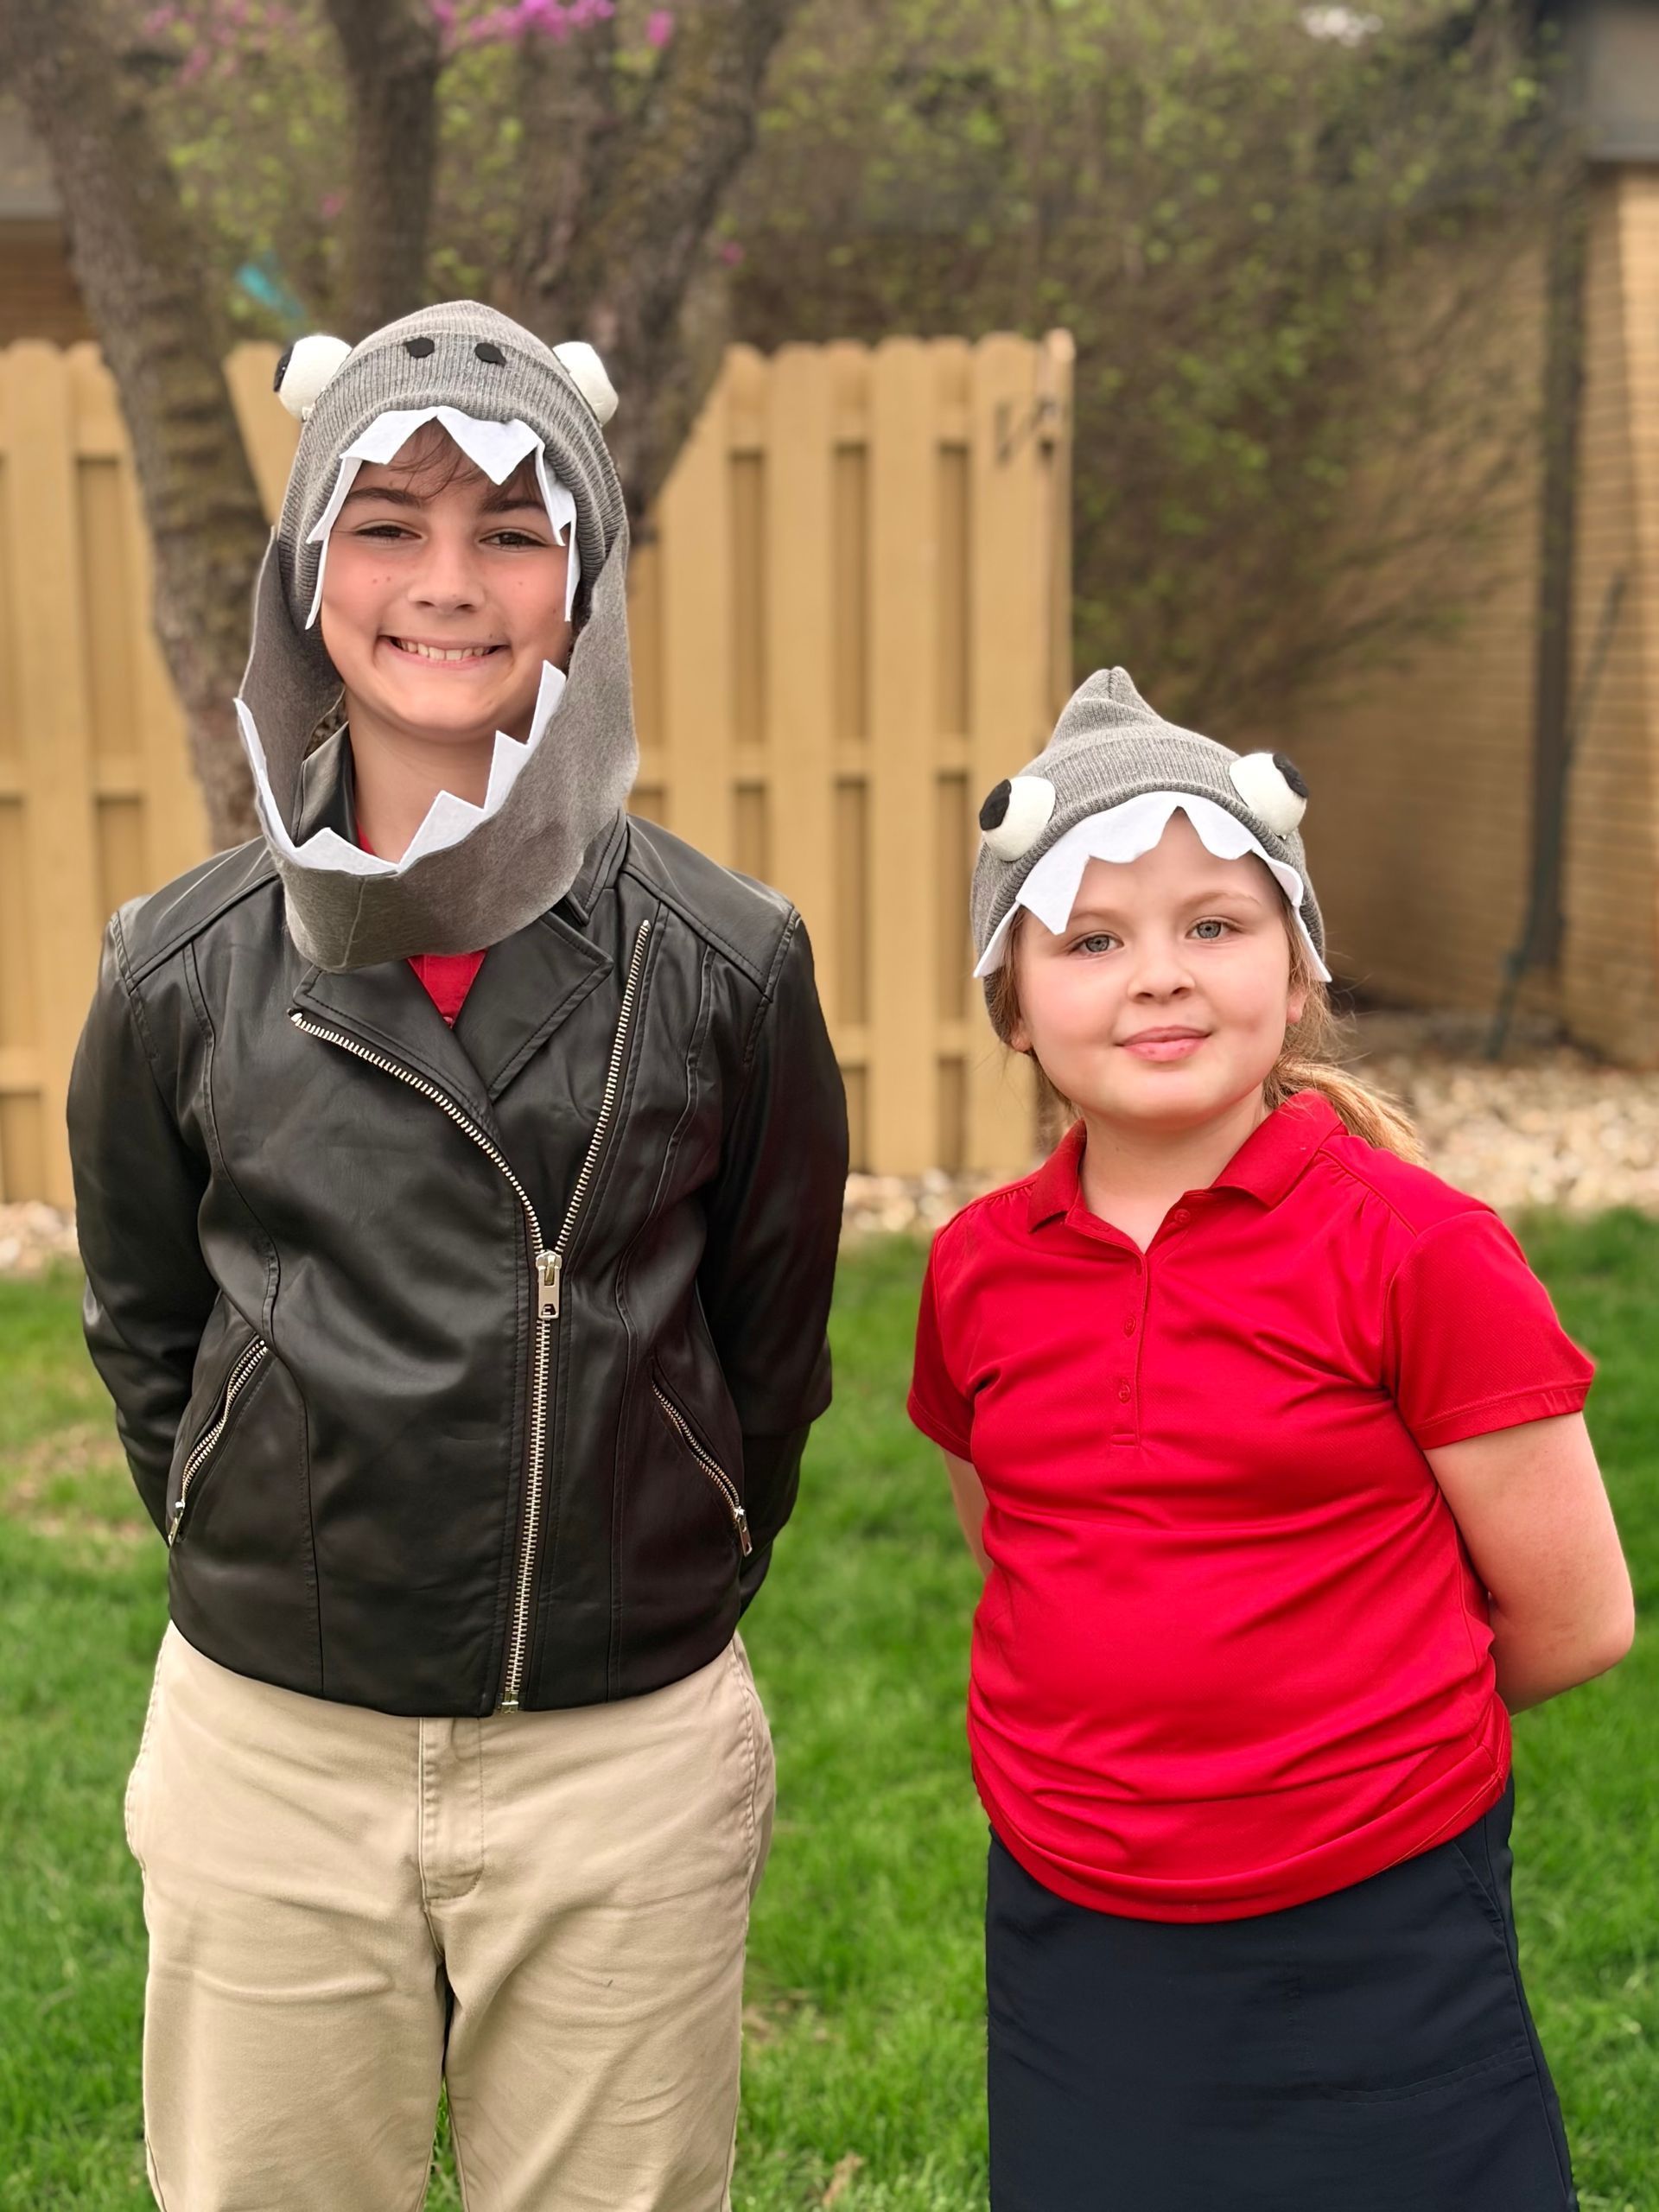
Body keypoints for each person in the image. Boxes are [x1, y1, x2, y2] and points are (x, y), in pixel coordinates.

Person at [67, 302, 848, 2212]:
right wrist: (249, 1516)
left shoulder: (728, 963)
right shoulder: (175, 966)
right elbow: (149, 1322)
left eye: (510, 531)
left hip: (621, 1751)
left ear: (584, 581)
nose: (447, 582)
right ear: (306, 565)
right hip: (275, 1744)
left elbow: (768, 1347)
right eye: (388, 525)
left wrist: (669, 1547)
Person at [906, 667, 1634, 2211]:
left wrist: (1334, 1737)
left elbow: (1574, 1620)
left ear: (1297, 971)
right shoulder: (976, 1270)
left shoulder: (1420, 1251)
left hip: (1378, 1919)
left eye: (1215, 926)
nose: (1159, 979)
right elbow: (1018, 1544)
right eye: (1092, 941)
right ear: (1012, 1004)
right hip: (1079, 1919)